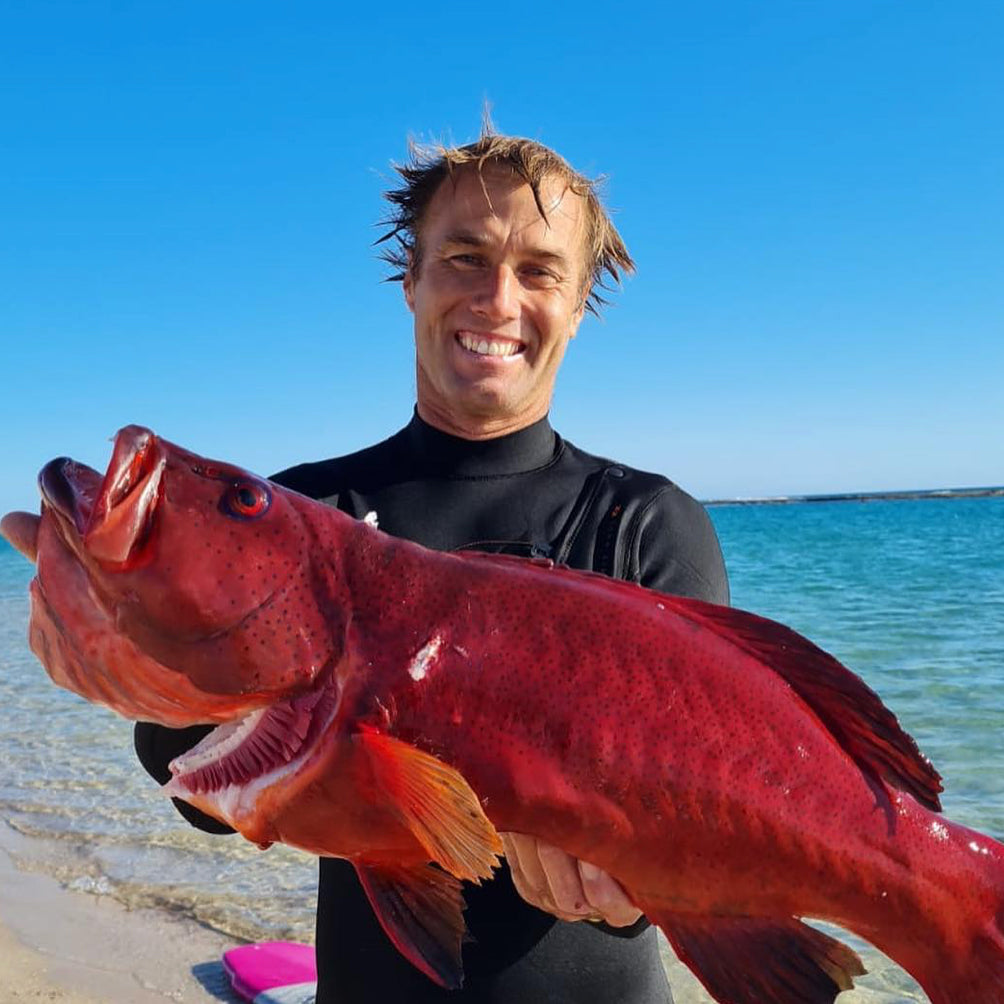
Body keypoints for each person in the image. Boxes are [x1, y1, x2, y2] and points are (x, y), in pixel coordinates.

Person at [135, 127, 729, 1004]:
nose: (497, 298)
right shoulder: (308, 515)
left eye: (539, 271)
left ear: (578, 305)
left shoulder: (647, 525)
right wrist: (135, 624)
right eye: (464, 257)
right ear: (410, 279)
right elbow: (189, 788)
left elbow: (711, 817)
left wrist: (637, 884)